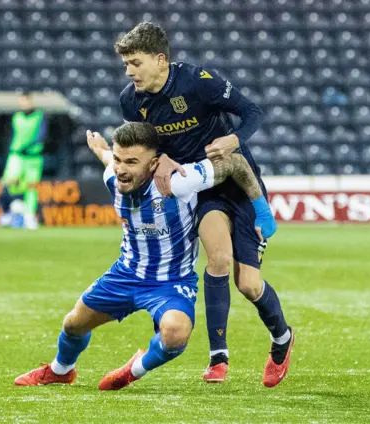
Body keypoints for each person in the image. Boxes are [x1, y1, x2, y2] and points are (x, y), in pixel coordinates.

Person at [15, 122, 269, 390]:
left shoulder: (180, 180)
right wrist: (102, 150)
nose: (122, 169)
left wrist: (261, 207)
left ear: (154, 163)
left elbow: (235, 163)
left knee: (174, 334)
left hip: (171, 282)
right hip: (125, 275)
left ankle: (134, 370)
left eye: (132, 162)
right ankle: (60, 370)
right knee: (73, 325)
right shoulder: (113, 175)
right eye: (118, 159)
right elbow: (107, 159)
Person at [115, 22, 293, 387]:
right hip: (203, 189)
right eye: (126, 65)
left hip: (239, 182)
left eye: (135, 62)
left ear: (160, 60)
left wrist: (234, 138)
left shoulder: (198, 82)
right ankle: (218, 358)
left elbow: (253, 111)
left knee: (248, 284)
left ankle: (282, 338)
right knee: (218, 259)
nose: (129, 72)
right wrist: (159, 157)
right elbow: (143, 145)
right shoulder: (131, 101)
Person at [0, 92, 47, 230]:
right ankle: (9, 211)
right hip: (17, 155)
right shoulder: (16, 117)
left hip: (33, 157)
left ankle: (29, 217)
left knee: (31, 187)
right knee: (8, 182)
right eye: (21, 101)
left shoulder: (39, 116)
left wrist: (29, 146)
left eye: (26, 101)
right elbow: (11, 136)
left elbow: (42, 135)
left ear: (31, 101)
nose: (23, 104)